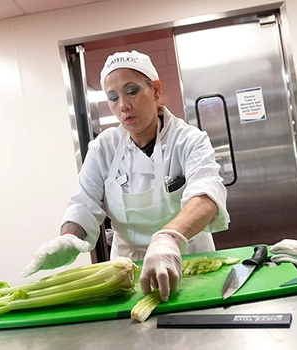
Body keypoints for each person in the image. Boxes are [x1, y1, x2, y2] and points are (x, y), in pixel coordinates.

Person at [22, 50, 229, 302]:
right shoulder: (103, 148)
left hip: (186, 261)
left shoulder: (189, 140)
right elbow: (83, 204)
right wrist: (69, 237)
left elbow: (205, 195)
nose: (123, 105)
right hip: (125, 273)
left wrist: (168, 239)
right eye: (112, 97)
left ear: (155, 90)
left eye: (131, 91)